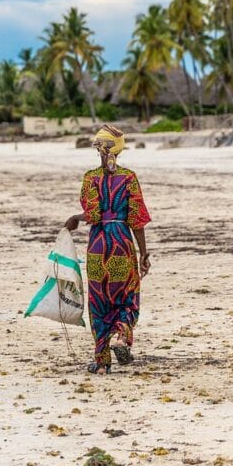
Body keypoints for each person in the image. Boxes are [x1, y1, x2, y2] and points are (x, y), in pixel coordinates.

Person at [65, 125, 151, 375]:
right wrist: (143, 253)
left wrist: (74, 218)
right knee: (126, 294)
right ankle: (122, 336)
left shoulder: (90, 177)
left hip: (98, 245)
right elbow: (137, 219)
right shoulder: (129, 177)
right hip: (122, 243)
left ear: (99, 150)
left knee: (100, 299)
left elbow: (92, 214)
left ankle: (102, 361)